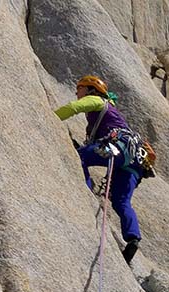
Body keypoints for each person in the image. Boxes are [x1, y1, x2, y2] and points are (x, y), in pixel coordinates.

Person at [55, 75, 143, 264]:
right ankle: (133, 238)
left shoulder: (97, 100)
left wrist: (49, 117)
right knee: (121, 202)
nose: (77, 92)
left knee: (78, 157)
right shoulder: (112, 112)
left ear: (89, 89)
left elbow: (72, 108)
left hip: (116, 148)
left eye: (79, 88)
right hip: (134, 163)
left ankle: (85, 192)